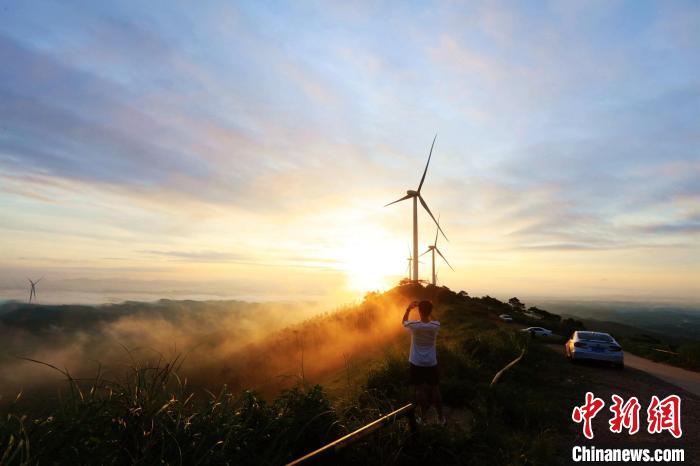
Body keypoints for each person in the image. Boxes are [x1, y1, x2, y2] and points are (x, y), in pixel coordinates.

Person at [402, 300, 445, 424]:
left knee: (420, 390)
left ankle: (424, 419)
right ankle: (441, 418)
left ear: (419, 311)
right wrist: (429, 312)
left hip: (416, 362)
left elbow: (403, 321)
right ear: (430, 311)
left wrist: (408, 309)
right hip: (431, 362)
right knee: (435, 389)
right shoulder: (435, 326)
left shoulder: (414, 325)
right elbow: (435, 320)